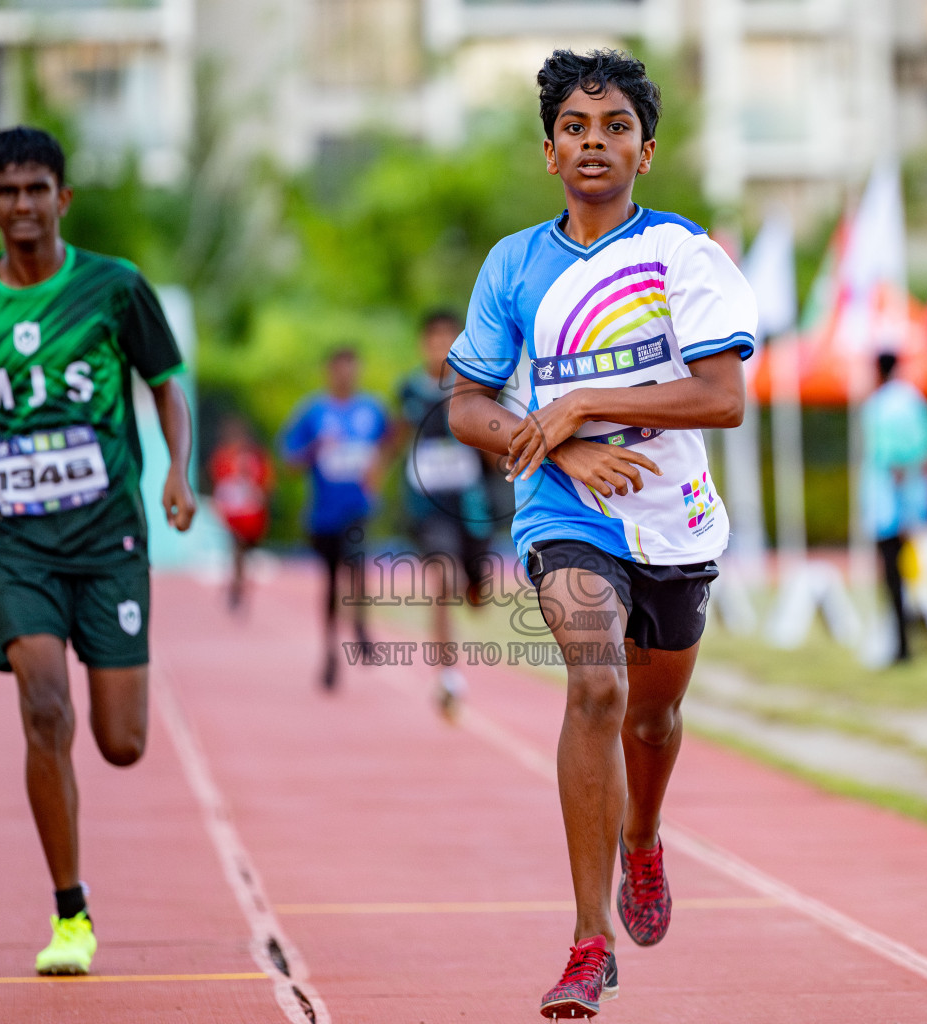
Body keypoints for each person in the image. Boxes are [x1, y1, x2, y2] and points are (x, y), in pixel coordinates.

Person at [446, 50, 758, 1019]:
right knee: (594, 682)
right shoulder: (514, 264)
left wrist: (580, 402)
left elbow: (722, 399)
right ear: (550, 152)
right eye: (575, 128)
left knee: (653, 721)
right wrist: (563, 450)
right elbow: (464, 403)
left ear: (645, 149)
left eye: (614, 126)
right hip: (565, 511)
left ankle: (645, 837)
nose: (594, 142)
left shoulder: (685, 254)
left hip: (675, 518)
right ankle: (589, 942)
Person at [0, 126, 196, 976]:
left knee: (121, 743)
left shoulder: (114, 290)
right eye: (7, 192)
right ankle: (69, 915)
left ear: (62, 199)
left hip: (108, 538)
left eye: (38, 189)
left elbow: (164, 385)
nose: (23, 206)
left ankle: (109, 697)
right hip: (13, 543)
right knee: (44, 707)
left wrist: (177, 474)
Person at [396, 310, 496, 718]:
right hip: (426, 504)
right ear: (423, 344)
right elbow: (399, 435)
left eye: (448, 339)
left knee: (475, 590)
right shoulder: (409, 390)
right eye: (433, 339)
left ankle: (474, 585)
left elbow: (493, 436)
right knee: (442, 576)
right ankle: (447, 674)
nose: (440, 347)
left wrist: (507, 462)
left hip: (471, 504)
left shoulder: (476, 386)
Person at [280, 347, 390, 691]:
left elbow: (391, 438)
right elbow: (289, 459)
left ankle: (360, 626)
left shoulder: (372, 409)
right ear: (329, 371)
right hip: (322, 515)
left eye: (351, 368)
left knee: (356, 566)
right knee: (330, 584)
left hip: (357, 508)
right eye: (339, 368)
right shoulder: (313, 412)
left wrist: (378, 468)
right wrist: (314, 449)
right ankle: (330, 651)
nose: (346, 374)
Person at [861, 350, 927, 665]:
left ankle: (903, 644)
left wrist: (898, 503)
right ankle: (918, 635)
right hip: (914, 501)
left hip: (888, 506)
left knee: (893, 576)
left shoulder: (881, 405)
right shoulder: (914, 400)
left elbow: (892, 458)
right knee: (916, 574)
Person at [208, 416, 274, 611]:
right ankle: (237, 585)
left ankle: (239, 583)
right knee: (237, 550)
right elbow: (219, 483)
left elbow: (265, 482)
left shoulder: (255, 457)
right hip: (234, 515)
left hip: (251, 515)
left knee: (244, 553)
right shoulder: (223, 457)